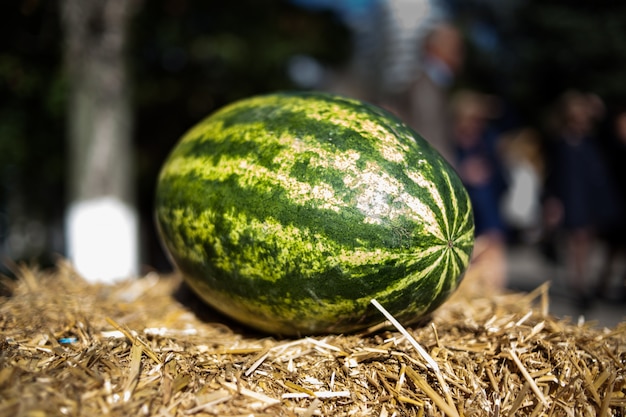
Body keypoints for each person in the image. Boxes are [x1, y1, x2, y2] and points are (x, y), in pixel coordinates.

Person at [542, 91, 618, 307]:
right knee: (577, 238)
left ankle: (585, 280)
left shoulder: (593, 139)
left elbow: (613, 137)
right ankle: (579, 284)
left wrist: (601, 110)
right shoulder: (559, 140)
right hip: (571, 193)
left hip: (591, 193)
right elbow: (552, 172)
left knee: (589, 238)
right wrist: (551, 199)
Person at [450, 90, 508, 290]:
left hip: (488, 218)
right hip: (463, 220)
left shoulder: (487, 142)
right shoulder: (449, 144)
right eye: (472, 119)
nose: (476, 125)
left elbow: (501, 179)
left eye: (479, 120)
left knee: (493, 275)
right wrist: (463, 172)